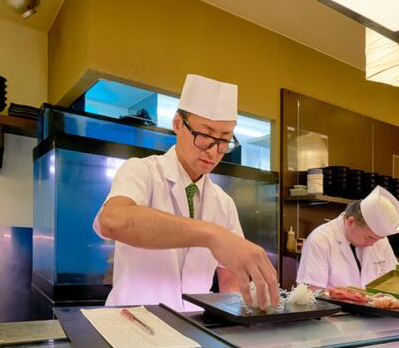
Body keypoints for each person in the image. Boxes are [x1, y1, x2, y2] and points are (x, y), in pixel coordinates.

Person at [94, 73, 279, 312]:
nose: (213, 151)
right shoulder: (141, 171)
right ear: (178, 124)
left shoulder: (223, 203)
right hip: (134, 321)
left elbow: (230, 281)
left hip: (195, 325)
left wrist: (241, 311)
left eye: (224, 140)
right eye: (204, 136)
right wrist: (211, 234)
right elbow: (112, 221)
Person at [296, 185, 399, 289]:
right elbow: (312, 290)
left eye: (379, 239)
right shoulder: (321, 239)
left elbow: (394, 282)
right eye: (369, 238)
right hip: (332, 302)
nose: (373, 244)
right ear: (350, 222)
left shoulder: (380, 240)